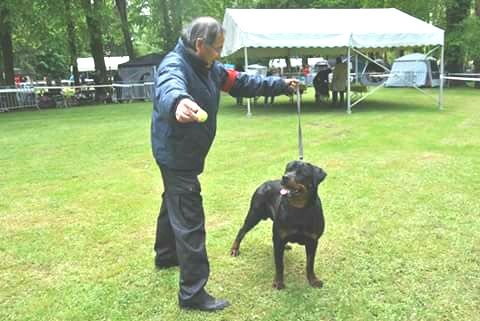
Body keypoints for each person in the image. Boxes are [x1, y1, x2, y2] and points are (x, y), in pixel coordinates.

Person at [151, 17, 298, 312]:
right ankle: (192, 293)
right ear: (200, 45)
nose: (220, 54)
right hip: (177, 154)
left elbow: (241, 81)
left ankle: (166, 254)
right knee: (190, 217)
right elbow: (168, 85)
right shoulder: (175, 64)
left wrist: (280, 84)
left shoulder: (209, 68)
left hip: (183, 154)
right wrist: (178, 101)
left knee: (174, 201)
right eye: (216, 48)